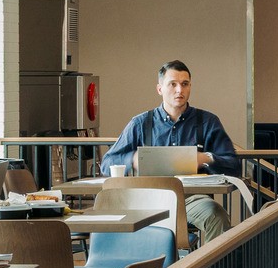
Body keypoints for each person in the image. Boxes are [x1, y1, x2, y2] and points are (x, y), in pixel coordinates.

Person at [103, 60, 243, 245]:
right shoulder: (141, 123)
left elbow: (234, 165)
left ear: (190, 86)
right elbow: (107, 163)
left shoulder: (207, 122)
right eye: (173, 84)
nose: (179, 90)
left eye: (185, 84)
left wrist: (206, 158)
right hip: (147, 200)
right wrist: (132, 159)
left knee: (216, 215)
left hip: (192, 200)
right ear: (159, 89)